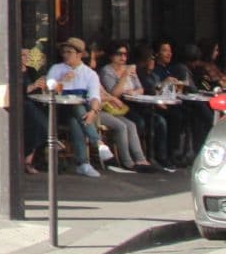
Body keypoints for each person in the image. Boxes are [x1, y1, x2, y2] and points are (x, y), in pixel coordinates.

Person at [36, 38, 103, 177]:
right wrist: (62, 81)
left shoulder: (89, 74)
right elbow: (46, 92)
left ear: (79, 54)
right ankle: (97, 142)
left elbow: (95, 97)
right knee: (76, 109)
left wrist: (93, 112)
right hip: (57, 111)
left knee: (75, 119)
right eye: (64, 52)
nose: (65, 55)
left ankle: (83, 164)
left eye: (69, 52)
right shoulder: (57, 69)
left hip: (81, 115)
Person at [90, 42, 158, 173]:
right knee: (122, 126)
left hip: (117, 107)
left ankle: (141, 159)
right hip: (100, 109)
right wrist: (124, 77)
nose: (122, 57)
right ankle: (127, 162)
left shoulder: (92, 74)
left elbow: (140, 88)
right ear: (111, 56)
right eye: (119, 54)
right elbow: (110, 93)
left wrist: (133, 91)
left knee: (132, 125)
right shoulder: (105, 71)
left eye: (125, 54)